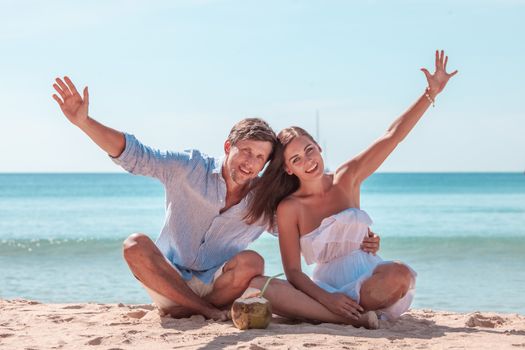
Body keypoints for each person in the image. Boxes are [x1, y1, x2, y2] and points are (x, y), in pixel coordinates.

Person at [51, 77, 380, 325]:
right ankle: (201, 311)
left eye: (260, 158)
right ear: (228, 146)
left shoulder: (263, 199)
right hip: (169, 281)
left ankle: (196, 309)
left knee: (253, 263)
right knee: (134, 244)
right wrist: (84, 122)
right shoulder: (188, 168)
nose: (249, 163)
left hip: (217, 286)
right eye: (245, 151)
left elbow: (307, 232)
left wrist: (354, 238)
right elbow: (135, 154)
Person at [246, 50, 457, 321]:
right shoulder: (290, 208)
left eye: (310, 150)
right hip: (324, 289)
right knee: (264, 286)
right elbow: (294, 273)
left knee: (400, 273)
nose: (308, 161)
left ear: (320, 148)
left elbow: (392, 137)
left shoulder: (347, 178)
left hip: (370, 280)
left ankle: (348, 313)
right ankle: (347, 316)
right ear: (289, 168)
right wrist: (329, 299)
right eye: (297, 159)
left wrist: (430, 93)